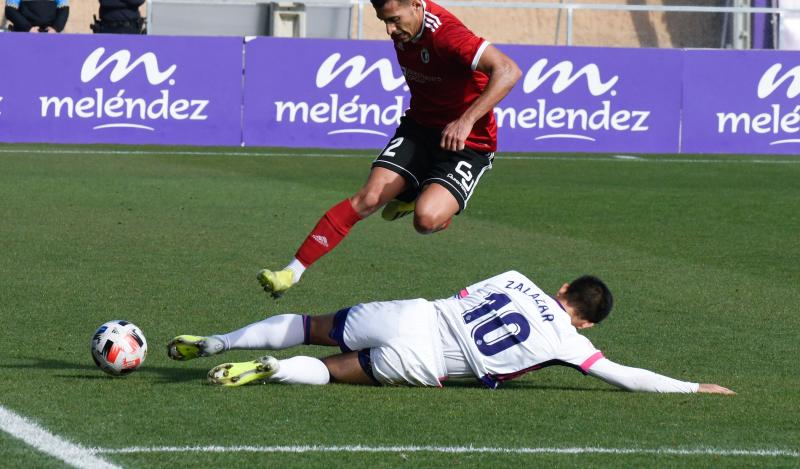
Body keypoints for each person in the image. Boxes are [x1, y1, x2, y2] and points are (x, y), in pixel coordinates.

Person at [256, 0, 522, 298]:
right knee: (367, 198)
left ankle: (422, 198)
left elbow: (509, 70)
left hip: (468, 142)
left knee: (426, 219)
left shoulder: (448, 35)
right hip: (421, 128)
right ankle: (291, 272)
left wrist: (466, 120)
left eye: (395, 19)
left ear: (417, 5)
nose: (390, 30)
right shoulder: (403, 31)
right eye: (383, 21)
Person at [167, 270, 735, 395]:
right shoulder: (573, 343)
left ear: (562, 287)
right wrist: (694, 388)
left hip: (420, 314)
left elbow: (467, 298)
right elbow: (625, 377)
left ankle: (221, 341)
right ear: (584, 319)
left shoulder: (517, 277)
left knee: (311, 326)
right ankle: (272, 374)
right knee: (340, 372)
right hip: (430, 362)